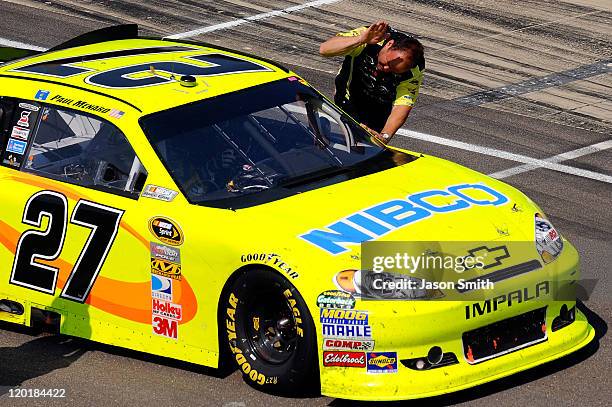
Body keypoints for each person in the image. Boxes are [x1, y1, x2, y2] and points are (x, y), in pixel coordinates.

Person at [319, 21, 425, 143]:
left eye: (394, 71)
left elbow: (403, 105)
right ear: (389, 44)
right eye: (387, 63)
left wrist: (384, 136)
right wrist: (360, 40)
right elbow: (324, 49)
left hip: (379, 107)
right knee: (352, 137)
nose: (386, 70)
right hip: (349, 96)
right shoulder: (372, 35)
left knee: (368, 145)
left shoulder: (414, 70)